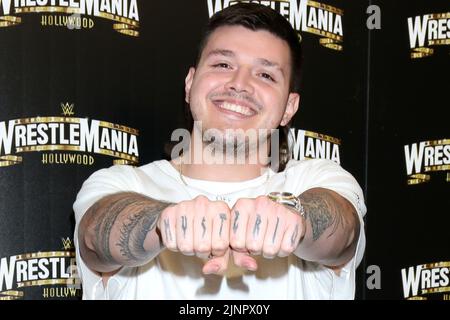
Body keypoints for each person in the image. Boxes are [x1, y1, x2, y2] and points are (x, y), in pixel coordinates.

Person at [73, 3, 366, 300]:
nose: (239, 84)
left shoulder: (314, 181)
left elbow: (343, 234)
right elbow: (95, 238)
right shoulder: (122, 184)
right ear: (190, 84)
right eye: (223, 65)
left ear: (289, 107)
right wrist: (162, 222)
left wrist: (297, 220)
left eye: (265, 75)